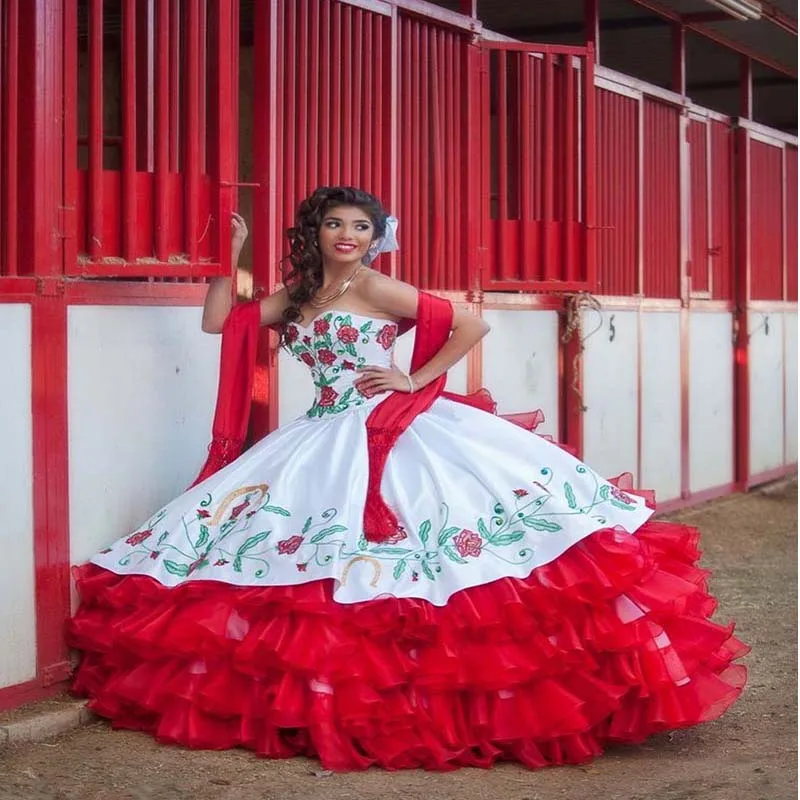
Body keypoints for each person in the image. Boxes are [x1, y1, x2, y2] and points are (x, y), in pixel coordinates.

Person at [67, 186, 747, 771]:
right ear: (315, 231)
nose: (347, 236)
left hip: (389, 425)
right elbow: (224, 322)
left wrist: (413, 378)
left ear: (375, 237)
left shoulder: (372, 286)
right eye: (335, 223)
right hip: (321, 431)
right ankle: (321, 701)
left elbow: (468, 322)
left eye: (361, 226)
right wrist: (233, 257)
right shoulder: (304, 290)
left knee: (428, 564)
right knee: (293, 558)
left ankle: (445, 705)